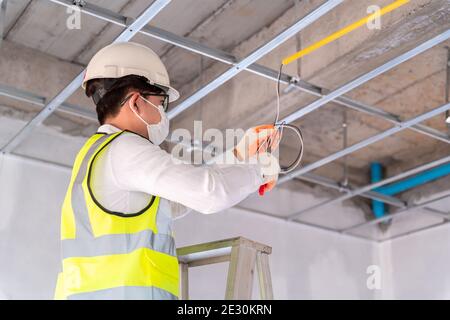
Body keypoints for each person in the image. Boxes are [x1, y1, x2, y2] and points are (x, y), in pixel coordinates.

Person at [54, 42, 280, 300]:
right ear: (137, 103)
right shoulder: (126, 149)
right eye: (161, 103)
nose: (163, 113)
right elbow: (211, 194)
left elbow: (177, 200)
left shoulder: (96, 155)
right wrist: (261, 168)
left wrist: (239, 156)